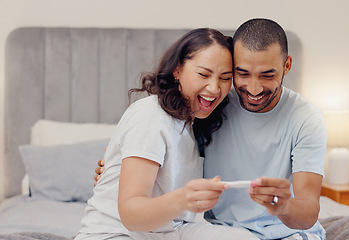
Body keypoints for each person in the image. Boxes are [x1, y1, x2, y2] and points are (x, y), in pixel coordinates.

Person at [95, 19, 327, 240]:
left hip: (280, 232)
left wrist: (283, 204)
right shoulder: (207, 105)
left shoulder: (303, 119)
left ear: (286, 66)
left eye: (267, 75)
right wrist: (117, 165)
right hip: (208, 231)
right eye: (242, 73)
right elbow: (147, 146)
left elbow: (308, 211)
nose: (254, 89)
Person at [76, 28, 259, 240]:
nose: (215, 88)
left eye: (225, 78)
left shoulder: (192, 122)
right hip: (116, 233)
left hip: (167, 231)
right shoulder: (150, 115)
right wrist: (184, 198)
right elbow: (131, 216)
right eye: (203, 74)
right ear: (177, 70)